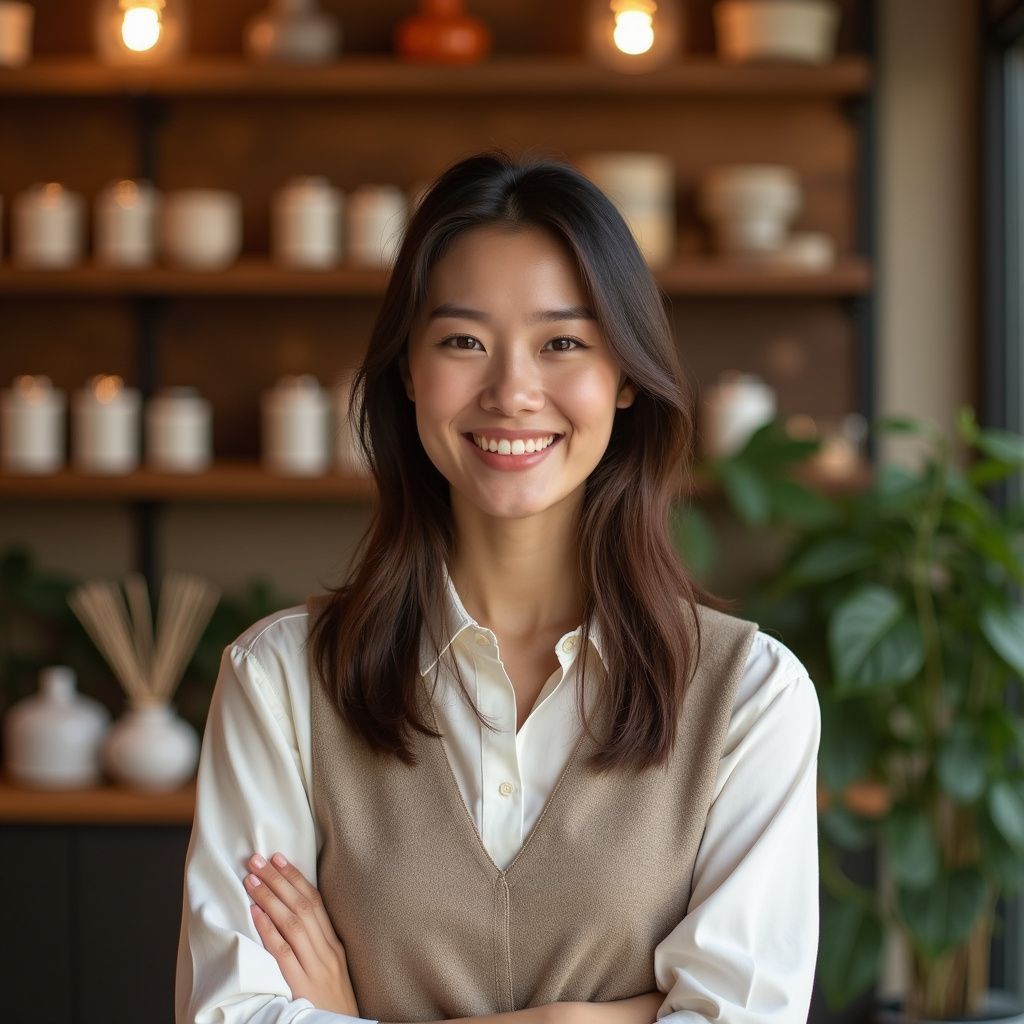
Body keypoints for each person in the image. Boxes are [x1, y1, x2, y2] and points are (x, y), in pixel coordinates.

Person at [175, 150, 821, 1024]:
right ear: (409, 373)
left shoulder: (751, 695)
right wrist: (611, 1016)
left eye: (563, 342)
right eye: (463, 342)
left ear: (625, 375)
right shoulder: (281, 681)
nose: (513, 391)